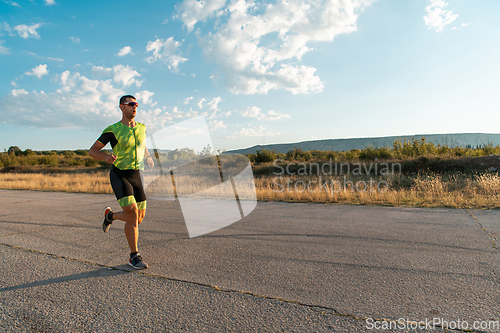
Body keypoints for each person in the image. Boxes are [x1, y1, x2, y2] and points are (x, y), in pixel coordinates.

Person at [89, 95, 154, 270]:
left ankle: (110, 216)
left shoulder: (142, 127)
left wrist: (147, 157)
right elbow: (92, 150)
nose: (134, 107)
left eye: (136, 104)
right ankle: (134, 256)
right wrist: (105, 157)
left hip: (137, 175)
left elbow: (143, 145)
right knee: (132, 213)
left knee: (138, 218)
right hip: (120, 175)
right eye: (130, 104)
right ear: (121, 107)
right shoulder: (113, 130)